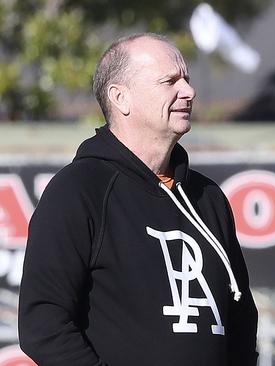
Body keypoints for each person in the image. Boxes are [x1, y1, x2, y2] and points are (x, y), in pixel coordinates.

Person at [18, 33, 258, 365]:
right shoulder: (78, 190)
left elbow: (242, 321)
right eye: (169, 81)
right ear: (121, 97)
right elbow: (44, 324)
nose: (188, 91)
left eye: (186, 79)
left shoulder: (208, 198)